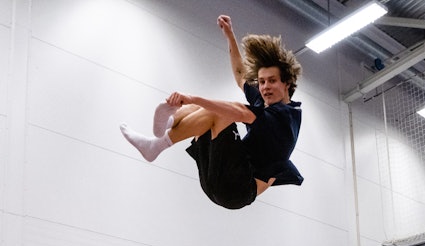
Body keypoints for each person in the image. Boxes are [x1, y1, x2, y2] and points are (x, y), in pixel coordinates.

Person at [120, 15, 303, 210]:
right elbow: (241, 74)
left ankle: (157, 144)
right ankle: (170, 122)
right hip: (216, 178)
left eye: (272, 81)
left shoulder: (285, 117)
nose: (265, 87)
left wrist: (191, 97)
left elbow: (238, 112)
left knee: (219, 111)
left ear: (287, 83)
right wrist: (230, 35)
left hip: (239, 188)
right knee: (202, 110)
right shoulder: (265, 101)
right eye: (262, 81)